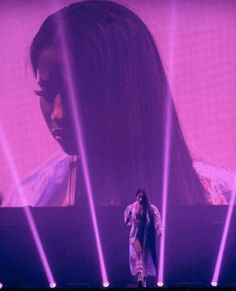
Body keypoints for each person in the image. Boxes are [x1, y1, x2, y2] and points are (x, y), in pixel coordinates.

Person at [2, 0, 212, 207]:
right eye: (45, 92)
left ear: (128, 88)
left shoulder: (223, 198)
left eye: (78, 93)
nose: (58, 114)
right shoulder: (30, 199)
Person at [124, 189, 162, 288]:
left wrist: (160, 232)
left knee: (145, 258)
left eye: (142, 197)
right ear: (136, 197)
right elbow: (126, 222)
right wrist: (128, 217)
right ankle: (140, 277)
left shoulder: (151, 208)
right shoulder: (131, 208)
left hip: (146, 236)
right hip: (135, 235)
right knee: (138, 255)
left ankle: (143, 281)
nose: (140, 198)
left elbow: (158, 221)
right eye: (139, 196)